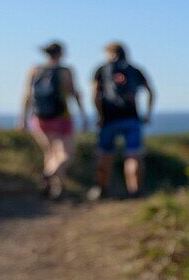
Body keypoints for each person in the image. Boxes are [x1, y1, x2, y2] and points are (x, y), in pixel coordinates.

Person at [19, 41, 88, 200]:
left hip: (40, 118)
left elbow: (27, 95)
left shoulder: (35, 69)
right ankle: (48, 176)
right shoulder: (65, 71)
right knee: (65, 155)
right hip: (62, 118)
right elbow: (74, 93)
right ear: (61, 53)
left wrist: (22, 118)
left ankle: (56, 189)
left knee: (50, 154)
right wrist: (83, 115)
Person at [88, 42, 155, 200]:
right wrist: (148, 114)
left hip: (109, 120)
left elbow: (95, 95)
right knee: (133, 155)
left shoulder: (102, 69)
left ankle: (101, 190)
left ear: (109, 53)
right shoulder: (134, 70)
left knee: (105, 155)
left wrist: (100, 115)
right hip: (131, 119)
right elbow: (151, 92)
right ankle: (135, 191)